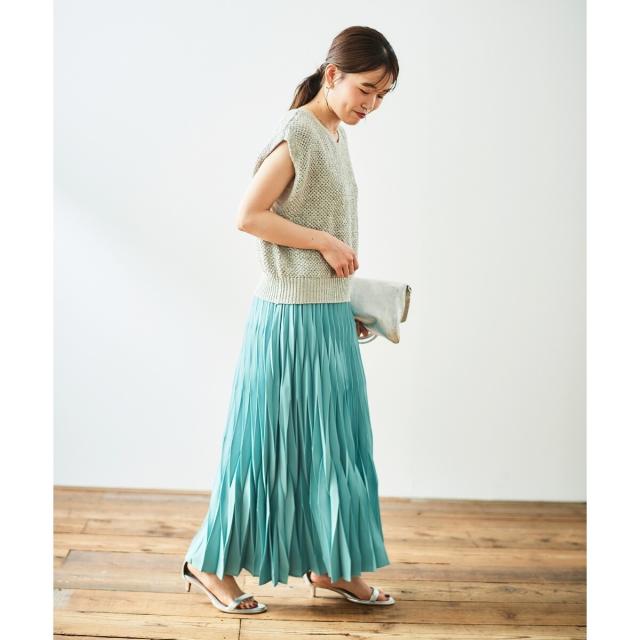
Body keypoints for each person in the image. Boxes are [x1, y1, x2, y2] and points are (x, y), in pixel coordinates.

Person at [181, 25, 399, 613]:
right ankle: (209, 563)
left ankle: (332, 565)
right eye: (365, 89)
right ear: (333, 75)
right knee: (263, 449)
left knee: (336, 448)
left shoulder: (334, 133)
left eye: (381, 95)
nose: (371, 104)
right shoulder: (298, 133)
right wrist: (323, 241)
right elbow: (249, 215)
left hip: (324, 318)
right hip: (286, 324)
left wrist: (342, 303)